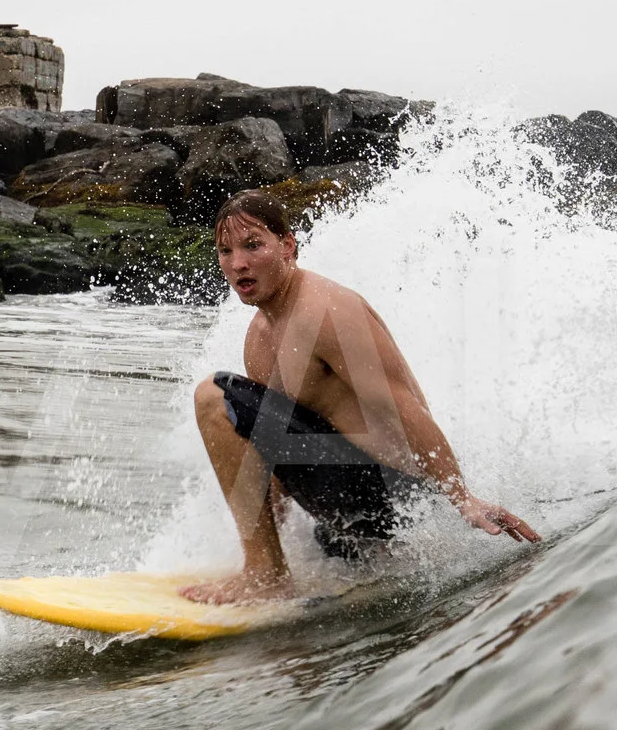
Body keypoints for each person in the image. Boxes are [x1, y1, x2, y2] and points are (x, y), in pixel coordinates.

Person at [181, 189, 539, 604]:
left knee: (214, 396)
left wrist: (462, 499)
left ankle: (266, 576)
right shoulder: (260, 337)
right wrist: (275, 538)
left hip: (399, 499)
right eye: (225, 251)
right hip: (354, 511)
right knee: (321, 535)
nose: (238, 263)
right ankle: (274, 566)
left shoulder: (327, 310)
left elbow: (402, 406)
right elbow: (272, 450)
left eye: (253, 245)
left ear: (288, 246)